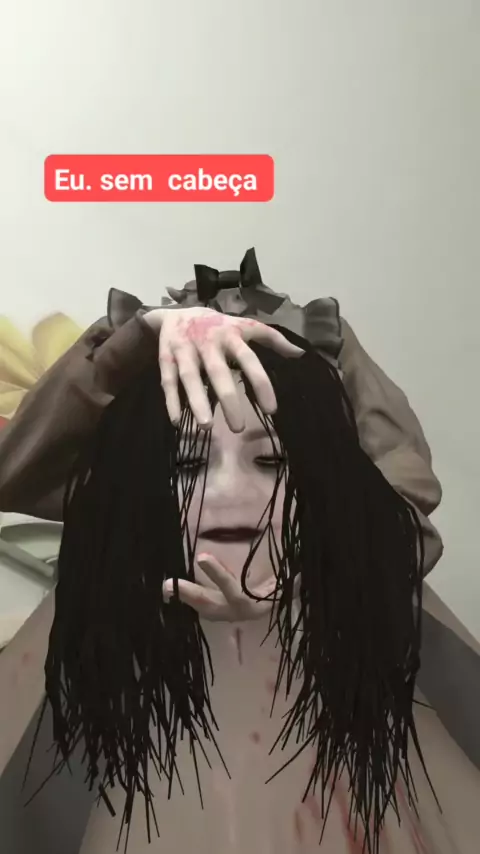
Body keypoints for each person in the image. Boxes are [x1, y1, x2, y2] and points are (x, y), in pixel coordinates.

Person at [6, 251, 478, 854]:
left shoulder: (324, 350)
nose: (229, 493)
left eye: (271, 459)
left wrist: (326, 570)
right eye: (187, 462)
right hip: (145, 661)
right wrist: (136, 340)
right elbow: (17, 473)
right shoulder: (128, 398)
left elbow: (405, 493)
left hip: (333, 660)